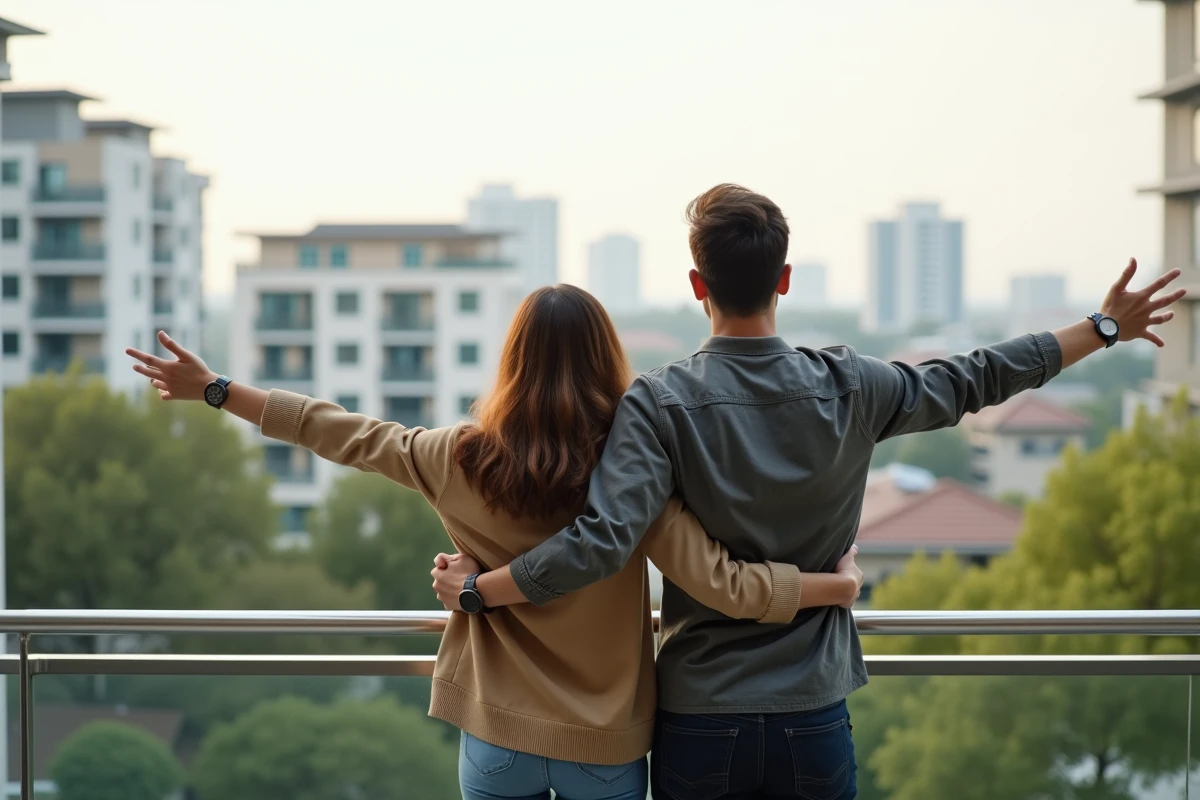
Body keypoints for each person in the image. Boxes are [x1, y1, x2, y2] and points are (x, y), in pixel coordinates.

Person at [431, 183, 1186, 800]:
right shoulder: (851, 385)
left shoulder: (658, 403)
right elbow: (976, 378)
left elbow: (600, 542)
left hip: (700, 717)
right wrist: (1101, 329)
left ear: (697, 286)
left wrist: (480, 592)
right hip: (813, 715)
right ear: (784, 280)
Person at [126, 284, 864, 800]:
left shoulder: (455, 457)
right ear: (608, 357)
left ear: (512, 359)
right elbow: (720, 581)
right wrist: (833, 586)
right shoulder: (635, 473)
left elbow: (339, 431)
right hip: (603, 744)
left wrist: (218, 389)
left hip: (495, 733)